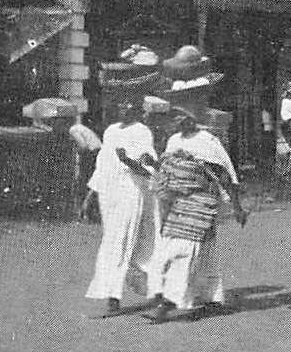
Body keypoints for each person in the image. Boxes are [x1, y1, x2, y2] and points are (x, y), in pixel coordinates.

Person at [146, 107, 248, 322]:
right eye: (176, 117)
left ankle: (170, 300)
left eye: (185, 116)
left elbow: (224, 172)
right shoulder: (173, 141)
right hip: (179, 201)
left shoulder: (207, 140)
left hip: (203, 200)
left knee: (184, 248)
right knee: (204, 249)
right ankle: (212, 298)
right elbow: (169, 170)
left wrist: (236, 206)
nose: (181, 121)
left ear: (194, 118)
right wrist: (152, 165)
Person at [83, 100, 159, 316]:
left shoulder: (142, 132)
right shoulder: (111, 131)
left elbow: (147, 169)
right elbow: (103, 165)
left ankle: (112, 297)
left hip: (131, 191)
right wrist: (90, 195)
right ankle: (157, 286)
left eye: (129, 107)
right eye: (121, 106)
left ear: (137, 111)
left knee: (118, 242)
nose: (124, 110)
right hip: (109, 194)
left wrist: (127, 160)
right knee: (116, 240)